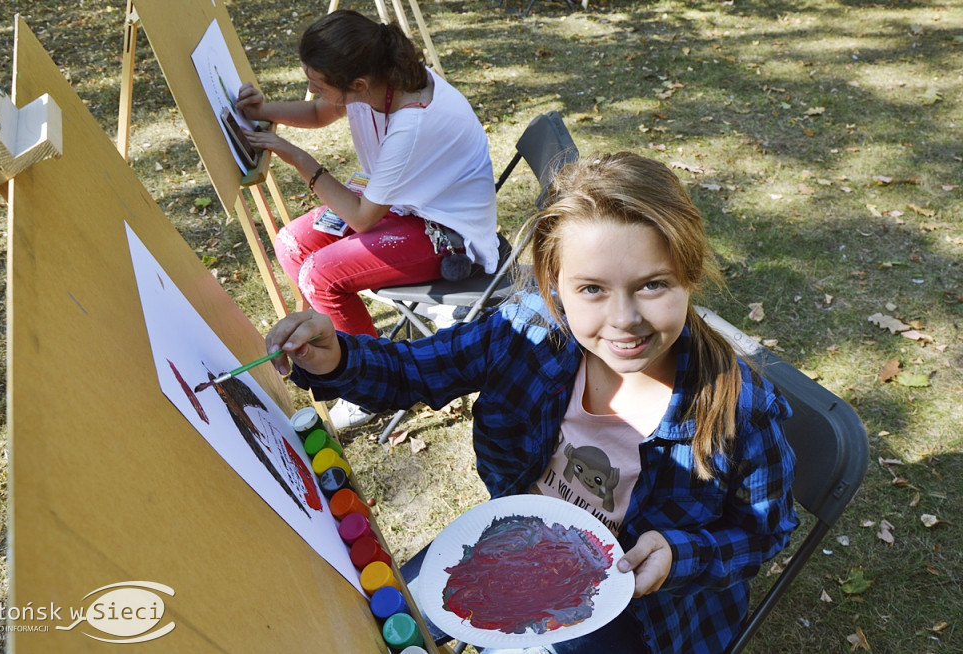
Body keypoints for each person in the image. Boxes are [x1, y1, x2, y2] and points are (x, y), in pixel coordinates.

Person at [265, 152, 798, 654]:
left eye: (653, 285)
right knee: (378, 621)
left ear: (690, 276)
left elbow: (763, 530)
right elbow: (417, 370)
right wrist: (336, 357)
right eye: (591, 289)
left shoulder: (739, 411)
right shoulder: (529, 332)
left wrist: (683, 555)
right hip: (522, 541)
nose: (624, 319)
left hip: (643, 614)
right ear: (553, 284)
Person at [238, 9, 498, 428]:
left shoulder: (410, 122)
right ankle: (348, 349)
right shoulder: (378, 81)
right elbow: (324, 112)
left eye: (317, 83)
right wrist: (264, 110)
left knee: (320, 274)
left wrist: (296, 156)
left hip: (447, 233)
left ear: (356, 85)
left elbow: (360, 217)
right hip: (405, 207)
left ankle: (369, 382)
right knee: (293, 243)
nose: (311, 90)